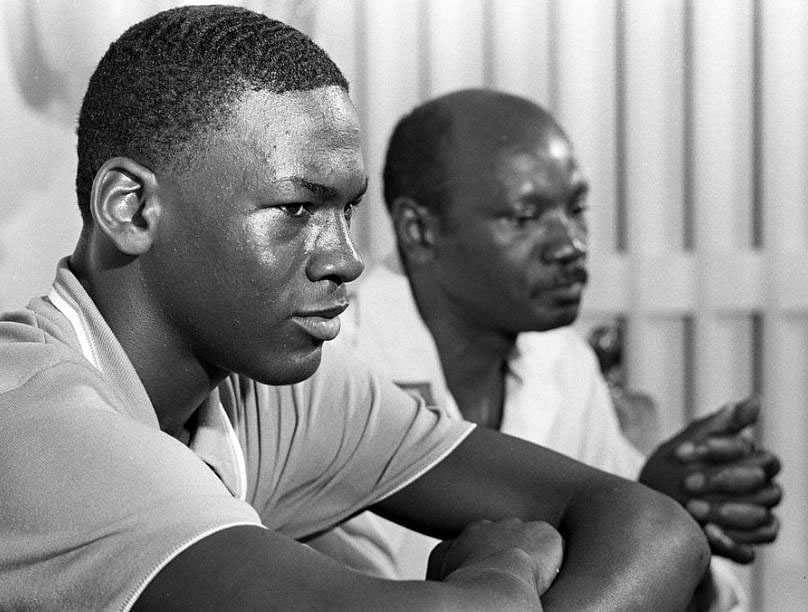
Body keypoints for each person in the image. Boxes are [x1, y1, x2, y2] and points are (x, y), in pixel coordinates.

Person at [0, 7, 711, 610]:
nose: (345, 258)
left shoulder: (271, 394)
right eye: (296, 208)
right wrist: (504, 567)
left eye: (345, 210)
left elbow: (655, 527)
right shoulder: (35, 421)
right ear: (131, 208)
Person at [307, 88, 782, 610]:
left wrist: (658, 499)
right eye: (524, 217)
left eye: (576, 208)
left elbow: (646, 555)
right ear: (420, 232)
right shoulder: (330, 356)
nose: (570, 245)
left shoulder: (563, 362)